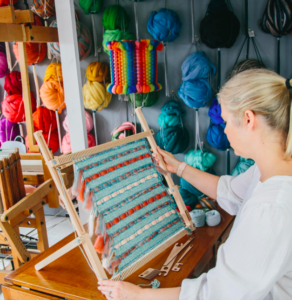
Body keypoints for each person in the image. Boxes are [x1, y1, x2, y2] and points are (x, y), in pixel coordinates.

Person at [98, 68, 292, 300]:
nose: (225, 129)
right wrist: (178, 167)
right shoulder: (268, 169)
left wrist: (138, 296)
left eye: (227, 121)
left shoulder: (273, 208)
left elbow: (220, 295)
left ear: (249, 119)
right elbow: (230, 192)